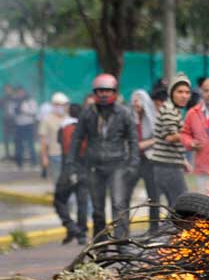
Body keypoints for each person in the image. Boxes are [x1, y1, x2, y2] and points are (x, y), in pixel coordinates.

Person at [69, 73, 139, 241]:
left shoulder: (124, 112)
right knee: (98, 209)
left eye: (107, 91)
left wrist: (133, 163)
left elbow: (133, 139)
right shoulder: (87, 113)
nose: (104, 94)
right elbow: (77, 138)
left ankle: (121, 242)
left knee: (118, 205)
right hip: (93, 166)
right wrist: (71, 162)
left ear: (114, 92)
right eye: (100, 91)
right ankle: (100, 245)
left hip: (117, 166)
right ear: (95, 92)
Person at [149, 72, 191, 206]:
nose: (184, 95)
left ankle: (169, 227)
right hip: (168, 167)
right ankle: (171, 227)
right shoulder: (169, 110)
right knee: (181, 205)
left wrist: (183, 161)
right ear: (172, 93)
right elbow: (169, 137)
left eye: (187, 92)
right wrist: (191, 137)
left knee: (175, 206)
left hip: (167, 166)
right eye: (180, 92)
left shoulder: (173, 110)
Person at [125, 89, 160, 233]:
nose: (136, 103)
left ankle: (154, 227)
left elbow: (159, 139)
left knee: (153, 195)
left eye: (139, 100)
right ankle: (123, 227)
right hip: (132, 159)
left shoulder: (153, 118)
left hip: (149, 160)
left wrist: (143, 144)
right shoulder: (128, 118)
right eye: (134, 99)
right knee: (124, 193)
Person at [54, 103, 89, 245]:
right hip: (85, 169)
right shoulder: (87, 129)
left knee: (59, 200)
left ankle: (71, 227)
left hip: (68, 169)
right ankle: (81, 233)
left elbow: (61, 144)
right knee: (82, 203)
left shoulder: (65, 128)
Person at [39, 92, 70, 190]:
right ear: (54, 105)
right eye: (59, 104)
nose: (62, 107)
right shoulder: (47, 119)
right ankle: (61, 202)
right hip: (54, 155)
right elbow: (43, 140)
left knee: (69, 181)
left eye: (64, 105)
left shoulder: (69, 118)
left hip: (69, 155)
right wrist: (44, 157)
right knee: (57, 181)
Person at [12, 86, 38, 169]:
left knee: (30, 144)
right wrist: (16, 111)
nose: (20, 93)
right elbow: (12, 111)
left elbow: (34, 112)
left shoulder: (30, 100)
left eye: (21, 92)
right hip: (18, 125)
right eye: (18, 92)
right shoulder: (15, 101)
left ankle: (33, 162)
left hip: (28, 125)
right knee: (18, 145)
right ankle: (19, 163)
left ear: (24, 92)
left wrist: (24, 110)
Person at [1, 84, 16, 160]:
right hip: (6, 121)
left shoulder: (15, 98)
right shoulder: (3, 98)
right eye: (6, 89)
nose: (8, 91)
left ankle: (16, 153)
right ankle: (7, 154)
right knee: (6, 138)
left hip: (14, 121)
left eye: (9, 89)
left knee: (15, 138)